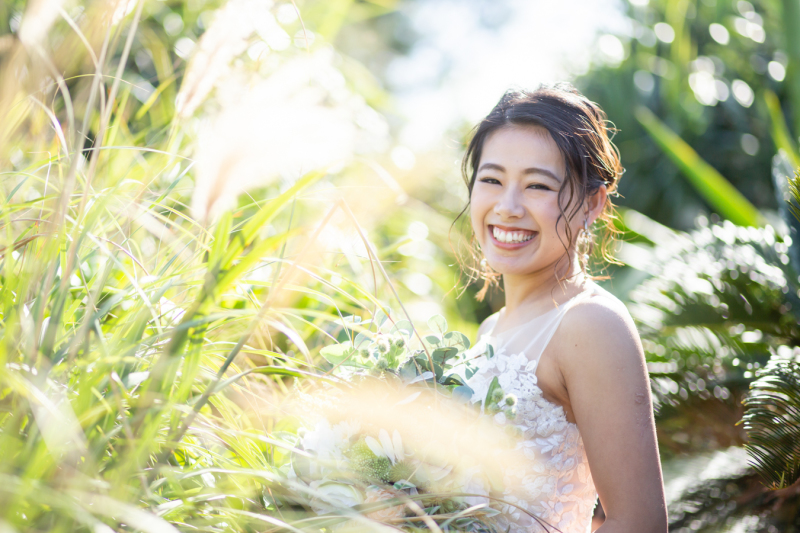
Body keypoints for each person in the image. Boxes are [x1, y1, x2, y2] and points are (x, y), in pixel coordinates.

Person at [457, 84, 668, 533]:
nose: (508, 208)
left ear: (593, 203)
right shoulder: (491, 329)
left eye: (537, 185)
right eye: (492, 179)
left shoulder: (590, 325)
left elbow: (638, 524)